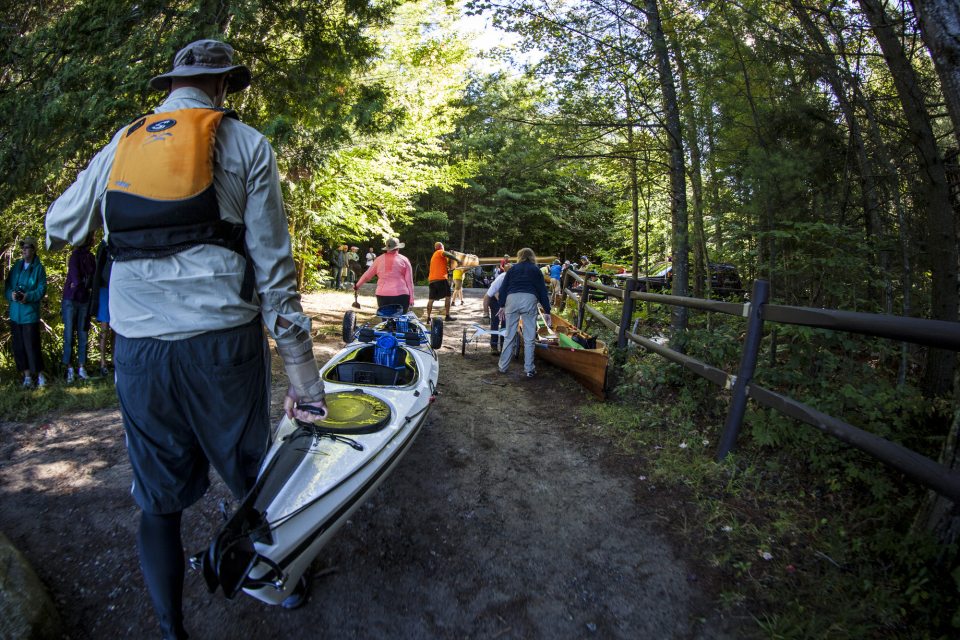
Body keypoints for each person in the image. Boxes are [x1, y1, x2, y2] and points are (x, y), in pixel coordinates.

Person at [45, 40, 328, 639]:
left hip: (140, 349)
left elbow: (59, 225)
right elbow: (275, 276)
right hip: (223, 343)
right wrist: (305, 381)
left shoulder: (123, 145)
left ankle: (172, 630)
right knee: (255, 478)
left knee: (157, 500)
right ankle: (278, 586)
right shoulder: (247, 144)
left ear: (171, 85)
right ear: (223, 86)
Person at [497, 247, 551, 378]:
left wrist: (501, 305)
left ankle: (503, 367)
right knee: (529, 337)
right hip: (529, 298)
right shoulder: (536, 270)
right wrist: (547, 311)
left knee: (509, 335)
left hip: (512, 298)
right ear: (532, 257)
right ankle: (529, 369)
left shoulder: (513, 269)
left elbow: (504, 287)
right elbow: (542, 291)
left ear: (519, 256)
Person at [5, 236, 47, 388]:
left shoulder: (39, 268)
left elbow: (42, 289)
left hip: (29, 314)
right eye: (22, 247)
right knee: (19, 347)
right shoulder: (16, 267)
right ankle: (27, 377)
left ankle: (41, 377)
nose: (24, 249)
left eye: (27, 247)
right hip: (15, 314)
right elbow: (7, 286)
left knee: (32, 346)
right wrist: (12, 295)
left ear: (34, 250)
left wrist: (27, 296)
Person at [61, 234, 96, 382]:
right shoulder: (75, 255)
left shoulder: (91, 257)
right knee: (69, 334)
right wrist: (83, 284)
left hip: (84, 300)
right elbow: (75, 277)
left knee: (83, 333)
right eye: (92, 236)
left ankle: (82, 367)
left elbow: (94, 277)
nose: (94, 239)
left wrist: (83, 284)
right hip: (71, 299)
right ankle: (69, 369)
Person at [355, 237, 415, 312]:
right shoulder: (404, 260)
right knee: (401, 321)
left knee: (386, 321)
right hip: (401, 295)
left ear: (387, 248)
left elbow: (367, 275)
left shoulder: (378, 259)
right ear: (398, 248)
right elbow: (409, 281)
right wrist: (411, 298)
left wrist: (357, 285)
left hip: (382, 294)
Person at [92, 239, 116, 377]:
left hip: (116, 289)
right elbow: (99, 267)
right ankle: (102, 364)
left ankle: (114, 361)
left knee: (116, 329)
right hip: (104, 289)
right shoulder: (103, 245)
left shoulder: (118, 240)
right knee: (105, 328)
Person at [425, 241, 460, 323]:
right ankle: (447, 316)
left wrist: (450, 269)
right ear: (441, 247)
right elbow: (447, 254)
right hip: (441, 279)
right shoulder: (440, 252)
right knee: (448, 296)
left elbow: (441, 268)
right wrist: (456, 259)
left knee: (431, 299)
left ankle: (428, 318)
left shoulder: (434, 256)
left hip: (432, 280)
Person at [482, 263, 510, 356]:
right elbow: (487, 296)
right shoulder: (500, 279)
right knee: (496, 320)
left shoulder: (517, 279)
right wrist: (486, 314)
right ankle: (494, 346)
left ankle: (503, 345)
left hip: (507, 301)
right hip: (495, 301)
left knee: (505, 323)